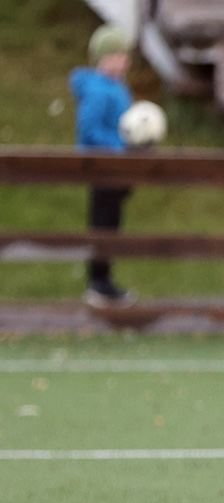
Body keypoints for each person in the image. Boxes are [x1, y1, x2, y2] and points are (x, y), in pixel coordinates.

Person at [70, 25, 136, 309]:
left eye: (125, 56)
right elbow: (88, 131)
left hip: (118, 166)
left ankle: (105, 281)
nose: (123, 62)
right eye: (117, 56)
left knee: (112, 224)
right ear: (103, 58)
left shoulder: (118, 88)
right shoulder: (98, 90)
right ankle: (98, 283)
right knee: (103, 223)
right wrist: (121, 147)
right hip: (103, 166)